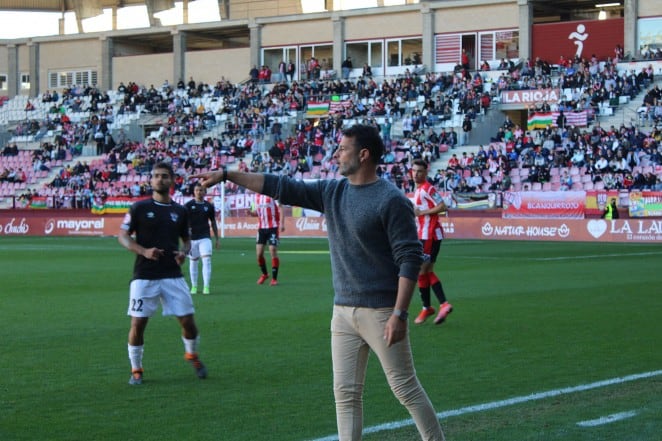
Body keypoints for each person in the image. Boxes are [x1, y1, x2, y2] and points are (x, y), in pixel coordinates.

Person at [192, 125, 444, 441]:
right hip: (343, 313)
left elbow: (410, 258)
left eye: (343, 148)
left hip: (382, 312)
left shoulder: (392, 200)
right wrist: (229, 175)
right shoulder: (332, 191)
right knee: (345, 394)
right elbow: (280, 186)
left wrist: (400, 314)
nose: (336, 153)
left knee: (405, 388)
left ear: (363, 155)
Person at [118, 162, 207, 386]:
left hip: (172, 274)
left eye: (164, 176)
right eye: (156, 176)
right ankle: (136, 368)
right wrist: (144, 251)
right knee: (138, 324)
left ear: (172, 180)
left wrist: (183, 253)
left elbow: (187, 242)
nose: (160, 179)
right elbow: (123, 236)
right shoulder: (138, 208)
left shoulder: (180, 211)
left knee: (188, 322)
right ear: (151, 180)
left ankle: (191, 355)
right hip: (144, 275)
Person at [411, 159, 454, 325]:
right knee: (425, 271)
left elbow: (443, 206)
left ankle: (435, 305)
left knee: (422, 271)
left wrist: (422, 212)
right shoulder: (419, 190)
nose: (416, 174)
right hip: (428, 234)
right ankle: (431, 307)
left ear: (426, 173)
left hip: (428, 235)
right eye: (414, 171)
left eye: (420, 171)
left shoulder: (427, 188)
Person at [185, 183, 220, 295]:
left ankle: (206, 287)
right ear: (194, 192)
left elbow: (213, 222)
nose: (199, 192)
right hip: (192, 238)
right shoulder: (188, 205)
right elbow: (183, 222)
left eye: (201, 190)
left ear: (204, 192)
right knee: (193, 261)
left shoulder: (209, 206)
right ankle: (194, 286)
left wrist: (217, 239)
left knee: (206, 260)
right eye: (197, 190)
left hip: (205, 237)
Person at [251, 193, 285, 286]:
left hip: (273, 227)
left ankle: (274, 279)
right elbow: (257, 212)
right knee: (259, 254)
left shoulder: (273, 194)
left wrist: (282, 223)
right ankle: (265, 274)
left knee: (272, 250)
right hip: (261, 228)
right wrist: (251, 213)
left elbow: (281, 208)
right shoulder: (256, 196)